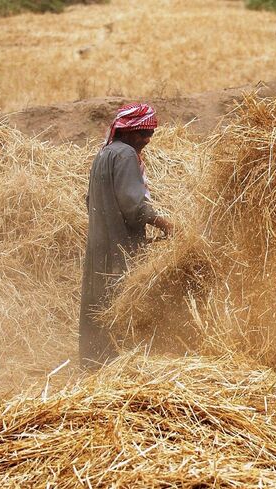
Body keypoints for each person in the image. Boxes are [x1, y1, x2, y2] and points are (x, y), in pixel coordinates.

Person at [79, 103, 174, 369]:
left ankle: (93, 362)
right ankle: (119, 363)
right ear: (129, 132)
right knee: (122, 302)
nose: (147, 140)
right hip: (120, 246)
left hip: (100, 243)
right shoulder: (126, 156)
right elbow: (133, 206)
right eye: (144, 134)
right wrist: (165, 224)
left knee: (99, 300)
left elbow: (90, 202)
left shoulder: (103, 155)